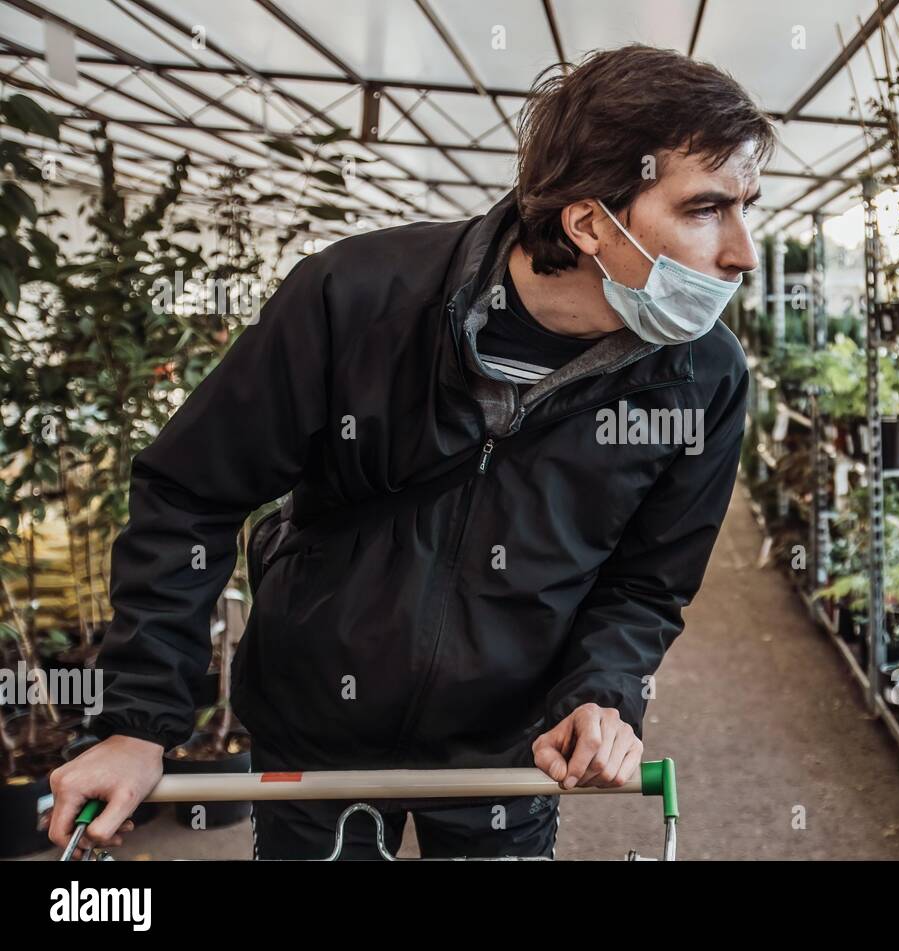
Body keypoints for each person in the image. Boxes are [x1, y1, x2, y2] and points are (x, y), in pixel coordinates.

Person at [47, 43, 773, 860]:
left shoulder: (702, 378)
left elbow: (646, 583)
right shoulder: (358, 298)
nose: (744, 251)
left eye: (747, 205)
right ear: (589, 222)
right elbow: (191, 492)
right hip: (316, 731)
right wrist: (137, 724)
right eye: (708, 208)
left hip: (511, 749)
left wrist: (602, 693)